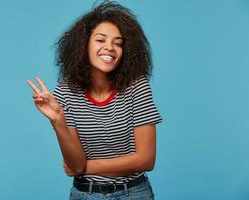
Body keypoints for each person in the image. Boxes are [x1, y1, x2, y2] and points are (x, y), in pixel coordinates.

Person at [27, 1, 162, 199]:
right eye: (101, 40)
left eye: (118, 43)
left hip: (133, 193)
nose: (110, 48)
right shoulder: (65, 92)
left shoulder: (137, 86)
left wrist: (88, 166)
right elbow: (75, 163)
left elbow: (146, 160)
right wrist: (58, 121)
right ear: (84, 45)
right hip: (85, 194)